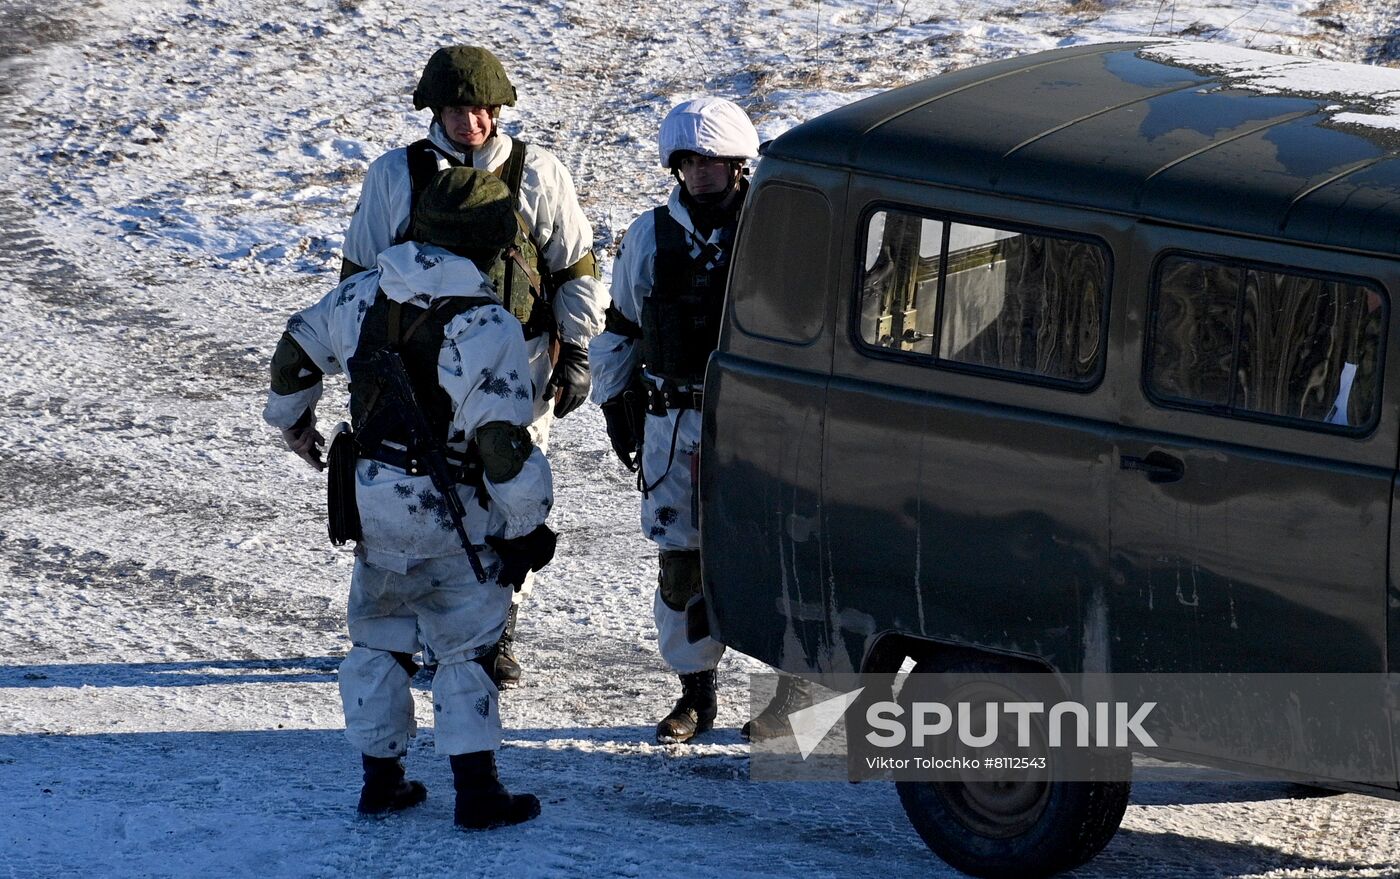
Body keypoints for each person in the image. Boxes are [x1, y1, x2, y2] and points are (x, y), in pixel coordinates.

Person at [265, 167, 555, 829]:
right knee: (465, 646)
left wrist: (295, 426)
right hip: (451, 510)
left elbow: (293, 355)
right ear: (493, 243)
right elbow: (504, 446)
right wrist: (522, 526)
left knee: (378, 640)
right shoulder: (486, 322)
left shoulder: (360, 293)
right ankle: (478, 794)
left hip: (371, 499)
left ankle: (381, 783)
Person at [341, 45, 607, 686]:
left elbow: (574, 267)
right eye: (459, 109)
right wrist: (363, 364)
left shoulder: (539, 173)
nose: (473, 123)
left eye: (484, 109)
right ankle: (401, 632)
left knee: (508, 493)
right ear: (436, 109)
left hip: (514, 370)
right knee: (411, 491)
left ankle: (496, 632)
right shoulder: (394, 176)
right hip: (415, 375)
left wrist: (576, 351)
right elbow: (359, 277)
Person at [588, 97, 759, 744]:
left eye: (714, 160)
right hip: (673, 422)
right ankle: (696, 695)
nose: (702, 171)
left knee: (774, 556)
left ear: (736, 165)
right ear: (676, 167)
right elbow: (623, 327)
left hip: (758, 423)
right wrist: (614, 406)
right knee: (680, 561)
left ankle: (791, 703)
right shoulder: (649, 235)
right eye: (690, 161)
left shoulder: (773, 226)